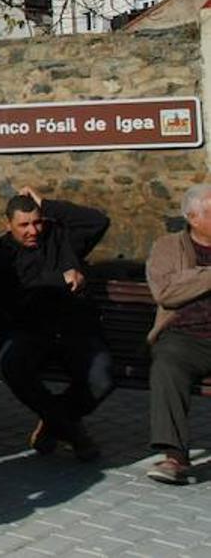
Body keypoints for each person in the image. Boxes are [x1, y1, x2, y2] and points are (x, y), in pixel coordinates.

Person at [0, 187, 112, 462]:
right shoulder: (0, 252)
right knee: (12, 366)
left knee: (102, 378)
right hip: (30, 330)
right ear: (7, 224)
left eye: (37, 222)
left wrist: (45, 203)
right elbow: (17, 291)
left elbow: (98, 222)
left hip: (75, 328)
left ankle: (53, 422)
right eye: (24, 225)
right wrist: (62, 278)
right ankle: (73, 432)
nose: (32, 230)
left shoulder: (60, 237)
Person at [146, 184, 211, 485]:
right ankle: (175, 456)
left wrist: (192, 279)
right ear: (193, 217)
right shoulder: (167, 247)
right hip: (185, 337)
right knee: (167, 363)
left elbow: (180, 284)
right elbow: (167, 292)